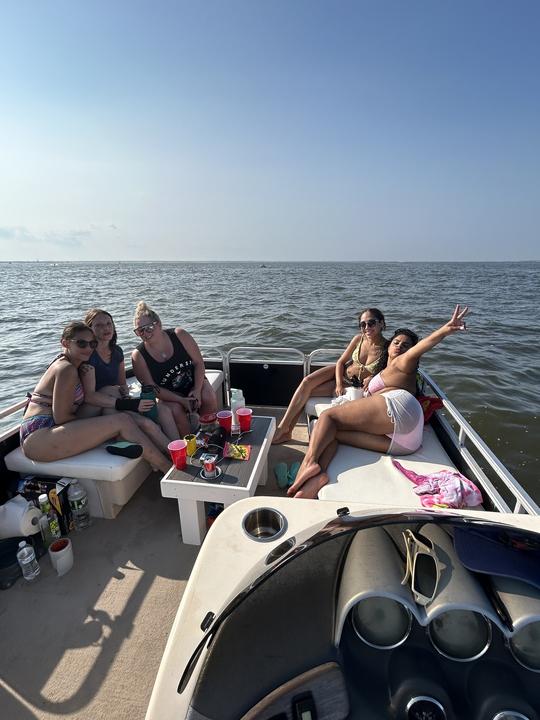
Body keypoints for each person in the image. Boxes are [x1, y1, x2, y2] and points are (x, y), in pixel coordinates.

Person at [288, 305, 470, 499]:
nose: (399, 346)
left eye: (405, 345)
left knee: (327, 416)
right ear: (388, 345)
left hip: (399, 409)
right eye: (396, 342)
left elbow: (422, 346)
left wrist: (446, 329)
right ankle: (317, 479)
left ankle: (309, 463)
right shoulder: (384, 368)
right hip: (405, 443)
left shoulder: (403, 363)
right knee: (332, 432)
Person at [20, 321, 172, 474]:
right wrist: (105, 425)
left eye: (92, 344)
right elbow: (61, 418)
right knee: (122, 420)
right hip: (40, 438)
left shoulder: (74, 364)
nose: (88, 348)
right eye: (81, 344)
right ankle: (168, 468)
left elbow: (90, 399)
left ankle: (127, 441)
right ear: (65, 343)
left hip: (52, 427)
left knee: (109, 391)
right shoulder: (66, 369)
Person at [272, 308, 389, 444]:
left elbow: (390, 371)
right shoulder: (358, 339)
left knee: (307, 394)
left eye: (371, 323)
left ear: (381, 323)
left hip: (351, 385)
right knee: (306, 382)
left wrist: (374, 377)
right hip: (341, 373)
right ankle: (284, 428)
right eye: (363, 325)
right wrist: (338, 383)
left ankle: (286, 432)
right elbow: (340, 362)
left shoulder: (388, 348)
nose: (367, 327)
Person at [79, 308, 179, 450]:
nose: (106, 328)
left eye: (109, 323)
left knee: (163, 410)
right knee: (147, 424)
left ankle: (180, 448)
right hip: (97, 408)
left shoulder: (117, 352)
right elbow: (89, 397)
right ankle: (174, 458)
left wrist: (127, 396)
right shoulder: (88, 356)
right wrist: (129, 404)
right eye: (99, 326)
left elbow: (122, 385)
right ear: (90, 330)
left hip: (116, 401)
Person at [131, 302, 218, 436]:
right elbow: (153, 388)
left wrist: (196, 389)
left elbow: (198, 363)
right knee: (176, 410)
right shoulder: (139, 356)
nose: (145, 333)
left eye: (148, 327)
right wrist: (181, 400)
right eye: (140, 331)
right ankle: (190, 446)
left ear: (159, 324)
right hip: (169, 394)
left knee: (208, 396)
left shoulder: (180, 335)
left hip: (193, 383)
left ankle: (210, 435)